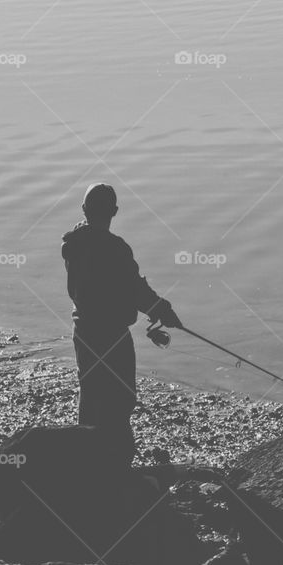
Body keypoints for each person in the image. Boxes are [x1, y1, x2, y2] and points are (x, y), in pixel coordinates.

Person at [61, 183, 182, 465]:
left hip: (84, 331)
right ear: (115, 211)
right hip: (112, 335)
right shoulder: (115, 248)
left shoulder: (72, 244)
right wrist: (163, 310)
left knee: (91, 394)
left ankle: (88, 458)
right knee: (121, 397)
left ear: (84, 211)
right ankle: (116, 459)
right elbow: (135, 289)